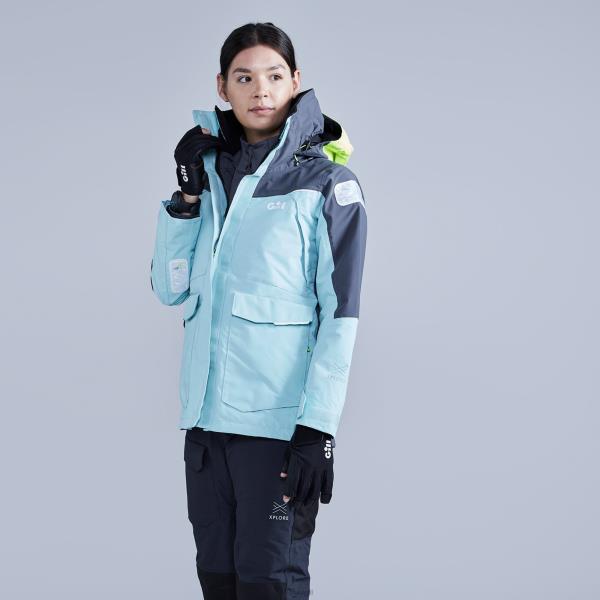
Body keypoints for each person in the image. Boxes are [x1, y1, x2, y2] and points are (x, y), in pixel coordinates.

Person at [149, 21, 367, 600]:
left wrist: (318, 429)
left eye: (273, 76)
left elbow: (341, 315)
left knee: (269, 584)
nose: (260, 90)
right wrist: (186, 196)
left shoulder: (328, 185)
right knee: (218, 582)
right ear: (222, 87)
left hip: (276, 432)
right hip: (205, 428)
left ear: (295, 81)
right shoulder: (212, 178)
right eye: (244, 78)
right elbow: (170, 289)